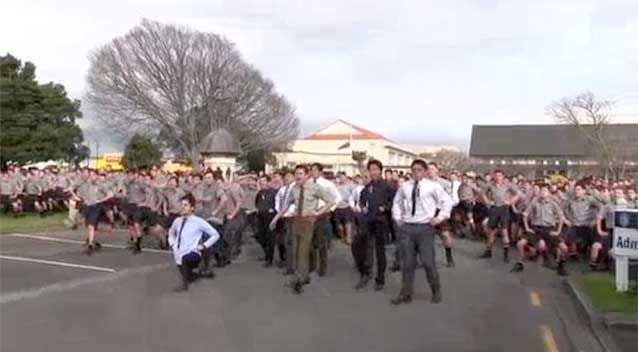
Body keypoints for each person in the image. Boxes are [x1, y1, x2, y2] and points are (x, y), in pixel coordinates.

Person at [391, 159, 453, 305]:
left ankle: (435, 290)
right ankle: (405, 293)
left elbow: (447, 202)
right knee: (407, 263)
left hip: (425, 228)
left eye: (419, 169)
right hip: (407, 227)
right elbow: (397, 203)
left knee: (428, 262)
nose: (416, 172)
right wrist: (398, 219)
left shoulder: (432, 186)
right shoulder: (405, 186)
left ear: (425, 171)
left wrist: (439, 218)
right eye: (413, 170)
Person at [270, 165, 336, 294]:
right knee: (295, 250)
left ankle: (299, 279)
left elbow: (331, 200)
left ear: (307, 175)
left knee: (303, 251)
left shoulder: (315, 187)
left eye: (300, 173)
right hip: (296, 221)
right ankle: (302, 276)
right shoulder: (294, 188)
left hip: (308, 221)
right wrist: (275, 219)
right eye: (296, 173)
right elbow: (286, 206)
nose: (298, 176)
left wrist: (318, 213)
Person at [355, 159, 395, 291]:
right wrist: (362, 207)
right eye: (371, 169)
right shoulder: (368, 187)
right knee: (365, 249)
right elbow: (361, 200)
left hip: (381, 221)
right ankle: (366, 274)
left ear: (380, 171)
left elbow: (395, 202)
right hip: (368, 221)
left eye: (375, 169)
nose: (373, 172)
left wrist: (386, 208)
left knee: (380, 251)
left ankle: (380, 278)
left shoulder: (388, 186)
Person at [168, 194, 220, 292]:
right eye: (182, 205)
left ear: (192, 208)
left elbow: (215, 235)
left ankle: (184, 285)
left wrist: (204, 246)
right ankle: (200, 274)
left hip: (193, 253)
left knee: (185, 261)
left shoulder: (198, 222)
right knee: (188, 274)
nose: (183, 207)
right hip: (178, 253)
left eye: (186, 205)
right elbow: (171, 232)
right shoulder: (177, 221)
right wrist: (172, 244)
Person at [514, 184, 565, 275]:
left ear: (549, 193)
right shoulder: (534, 203)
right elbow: (525, 215)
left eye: (545, 191)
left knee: (563, 247)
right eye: (541, 191)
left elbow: (561, 217)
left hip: (549, 228)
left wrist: (558, 231)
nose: (543, 193)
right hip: (536, 228)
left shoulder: (553, 204)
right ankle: (520, 262)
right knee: (520, 243)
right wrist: (527, 228)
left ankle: (560, 264)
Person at [479, 170, 520, 263]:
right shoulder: (490, 185)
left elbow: (518, 194)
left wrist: (510, 201)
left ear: (502, 176)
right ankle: (488, 251)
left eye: (500, 175)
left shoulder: (507, 185)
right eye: (496, 175)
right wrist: (488, 202)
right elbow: (482, 193)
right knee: (491, 232)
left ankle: (506, 254)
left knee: (504, 232)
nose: (498, 177)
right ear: (494, 176)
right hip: (494, 209)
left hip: (504, 209)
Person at [309, 163, 341, 276]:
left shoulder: (327, 184)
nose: (312, 172)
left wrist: (330, 209)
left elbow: (337, 198)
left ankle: (322, 268)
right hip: (311, 214)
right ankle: (311, 266)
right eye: (311, 170)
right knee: (311, 242)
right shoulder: (309, 183)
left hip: (322, 214)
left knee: (322, 243)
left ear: (320, 172)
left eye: (314, 170)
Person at [255, 175, 278, 267]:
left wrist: (273, 209)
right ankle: (266, 253)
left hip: (270, 217)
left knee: (270, 238)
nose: (262, 183)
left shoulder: (273, 192)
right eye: (261, 182)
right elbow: (257, 202)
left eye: (264, 181)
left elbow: (277, 204)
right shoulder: (260, 193)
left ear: (268, 182)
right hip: (260, 217)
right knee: (260, 235)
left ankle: (269, 258)